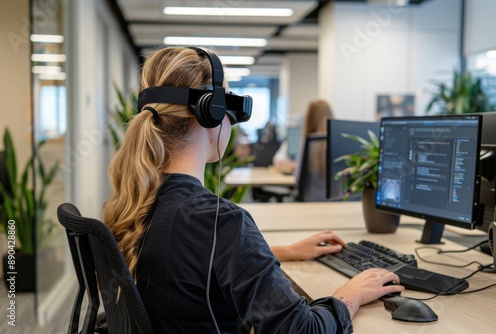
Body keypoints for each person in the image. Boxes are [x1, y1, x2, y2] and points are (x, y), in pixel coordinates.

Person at [102, 47, 403, 333]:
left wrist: (282, 252)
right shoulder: (218, 220)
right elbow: (302, 329)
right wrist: (351, 294)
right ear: (212, 112)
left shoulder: (137, 202)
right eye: (229, 103)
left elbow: (190, 264)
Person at [273, 99, 333, 175]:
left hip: (307, 187)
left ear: (309, 118)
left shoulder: (307, 143)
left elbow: (298, 177)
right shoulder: (335, 143)